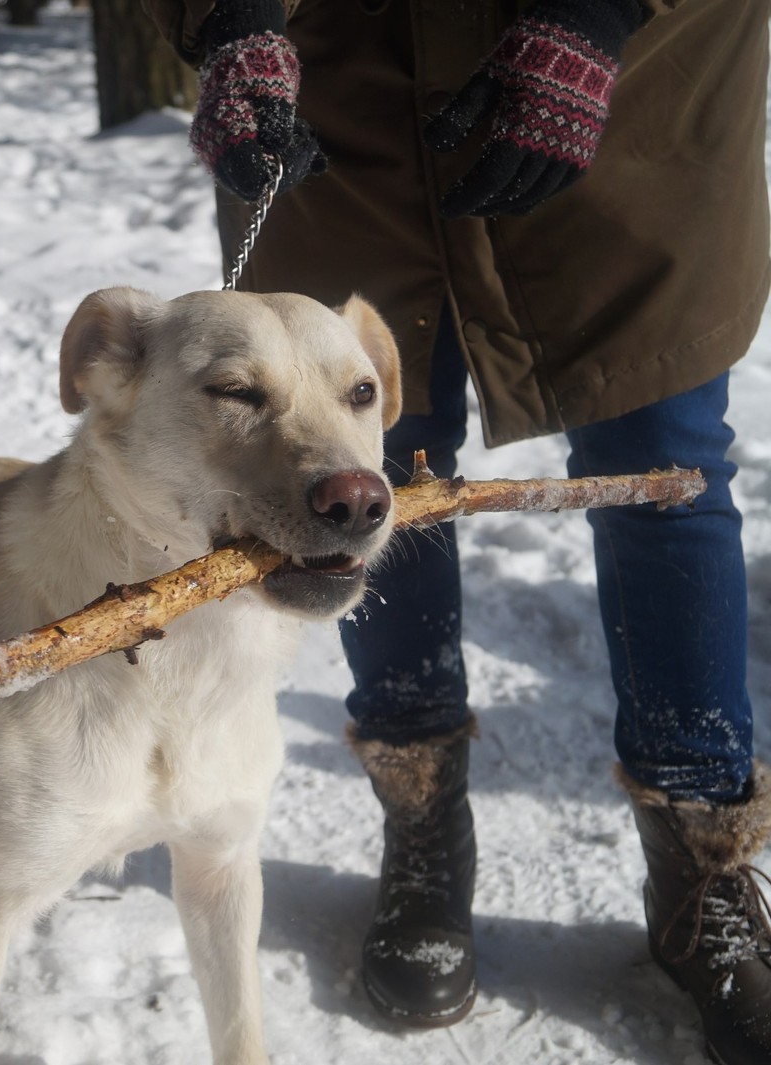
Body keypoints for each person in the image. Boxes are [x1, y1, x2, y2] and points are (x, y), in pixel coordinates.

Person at [143, 0, 771, 1061]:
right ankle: (423, 821)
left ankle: (701, 859)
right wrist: (232, 17)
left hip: (634, 73)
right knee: (357, 462)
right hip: (343, 76)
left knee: (659, 465)